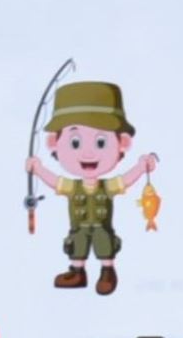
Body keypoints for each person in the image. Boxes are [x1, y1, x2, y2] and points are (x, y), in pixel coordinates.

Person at [28, 78, 157, 296]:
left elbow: (125, 180)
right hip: (78, 229)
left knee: (104, 243)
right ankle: (77, 272)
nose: (88, 153)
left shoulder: (108, 186)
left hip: (102, 229)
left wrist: (140, 168)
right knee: (77, 244)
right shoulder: (71, 186)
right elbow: (55, 182)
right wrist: (38, 170)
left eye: (101, 142)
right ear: (53, 143)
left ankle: (107, 272)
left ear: (123, 143)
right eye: (75, 142)